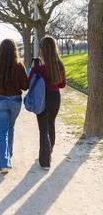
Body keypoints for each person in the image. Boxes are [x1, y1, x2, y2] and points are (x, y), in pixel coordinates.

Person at [0, 39, 28, 174]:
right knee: (10, 128)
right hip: (15, 101)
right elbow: (25, 86)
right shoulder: (19, 66)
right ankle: (8, 155)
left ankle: (4, 161)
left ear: (0, 50)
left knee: (2, 130)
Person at [29, 36, 66, 170]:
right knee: (51, 124)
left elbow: (30, 83)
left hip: (41, 98)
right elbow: (62, 84)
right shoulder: (59, 63)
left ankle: (45, 161)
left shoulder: (37, 64)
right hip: (55, 97)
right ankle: (48, 152)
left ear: (42, 49)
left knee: (43, 129)